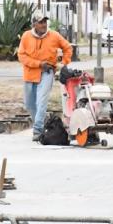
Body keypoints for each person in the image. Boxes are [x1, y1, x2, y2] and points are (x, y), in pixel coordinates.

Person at [17, 11, 73, 141]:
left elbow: (68, 48)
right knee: (30, 104)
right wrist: (38, 64)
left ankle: (37, 131)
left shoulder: (54, 35)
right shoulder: (26, 36)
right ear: (34, 24)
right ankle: (42, 124)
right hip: (30, 74)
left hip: (47, 73)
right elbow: (22, 56)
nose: (43, 24)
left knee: (41, 102)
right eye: (40, 22)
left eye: (45, 22)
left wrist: (63, 63)